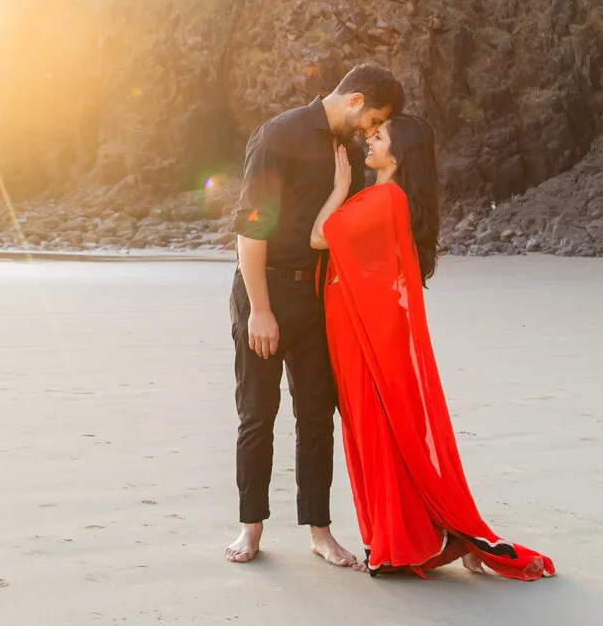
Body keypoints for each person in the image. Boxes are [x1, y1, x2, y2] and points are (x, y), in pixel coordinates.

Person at [311, 114, 556, 580]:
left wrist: (339, 188)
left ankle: (411, 538)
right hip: (363, 330)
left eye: (379, 137)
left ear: (399, 152)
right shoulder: (387, 197)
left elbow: (319, 237)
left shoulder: (385, 196)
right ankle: (421, 534)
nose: (368, 141)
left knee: (380, 429)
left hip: (366, 335)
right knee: (383, 428)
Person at [224, 63, 403, 567]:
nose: (370, 132)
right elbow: (250, 229)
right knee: (257, 414)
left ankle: (319, 531)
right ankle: (251, 527)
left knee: (317, 416)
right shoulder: (278, 136)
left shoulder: (346, 153)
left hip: (316, 298)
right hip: (262, 290)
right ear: (355, 100)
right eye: (373, 120)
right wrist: (261, 310)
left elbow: (341, 231)